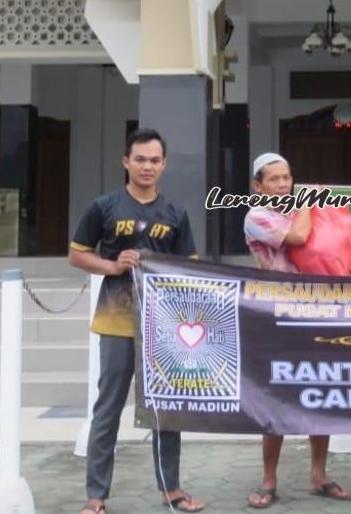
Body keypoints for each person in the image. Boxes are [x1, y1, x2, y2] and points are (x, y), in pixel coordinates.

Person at [68, 128, 204, 514]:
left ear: (165, 165)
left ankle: (172, 490)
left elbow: (189, 267)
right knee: (108, 408)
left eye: (155, 160)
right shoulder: (104, 206)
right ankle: (96, 497)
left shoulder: (176, 213)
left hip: (164, 328)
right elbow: (77, 254)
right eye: (140, 159)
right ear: (126, 162)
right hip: (116, 322)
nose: (148, 166)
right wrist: (112, 264)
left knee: (167, 410)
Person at [242, 152, 351, 509]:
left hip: (317, 311)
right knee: (276, 396)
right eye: (273, 179)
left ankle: (319, 475)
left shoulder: (295, 207)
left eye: (287, 178)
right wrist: (309, 202)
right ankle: (268, 479)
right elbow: (301, 237)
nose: (282, 185)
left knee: (320, 390)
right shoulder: (256, 216)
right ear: (257, 186)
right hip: (277, 314)